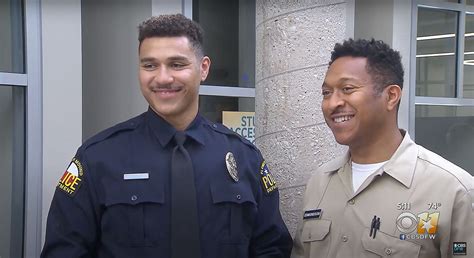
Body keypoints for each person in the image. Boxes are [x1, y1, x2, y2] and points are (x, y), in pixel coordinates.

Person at [41, 14, 292, 258]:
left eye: (177, 64)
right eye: (149, 65)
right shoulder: (98, 158)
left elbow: (271, 249)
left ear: (203, 68)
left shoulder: (244, 157)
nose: (162, 78)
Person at [291, 38, 474, 258]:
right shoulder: (320, 182)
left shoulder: (454, 190)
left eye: (347, 89)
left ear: (391, 96)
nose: (332, 103)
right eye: (326, 93)